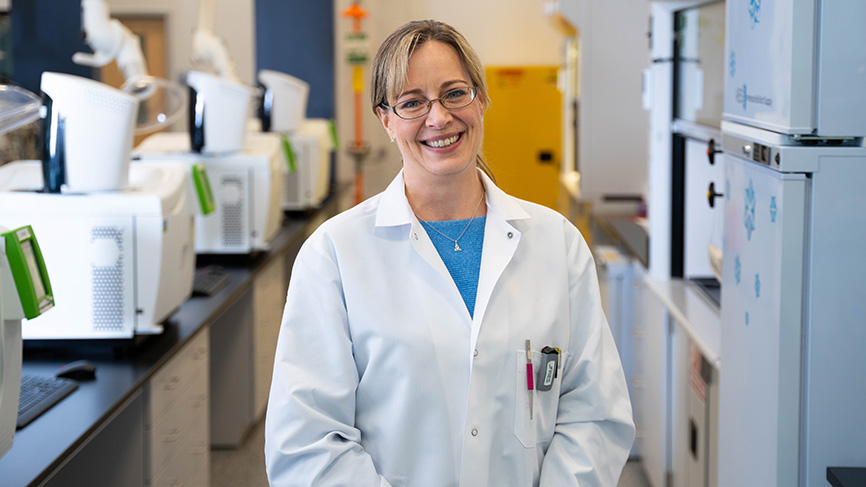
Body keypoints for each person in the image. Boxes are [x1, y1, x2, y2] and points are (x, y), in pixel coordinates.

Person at [265, 19, 635, 487]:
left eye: (455, 93)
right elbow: (305, 441)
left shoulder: (556, 243)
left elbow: (593, 413)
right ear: (386, 120)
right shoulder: (335, 255)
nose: (438, 118)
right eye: (412, 102)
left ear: (481, 100)